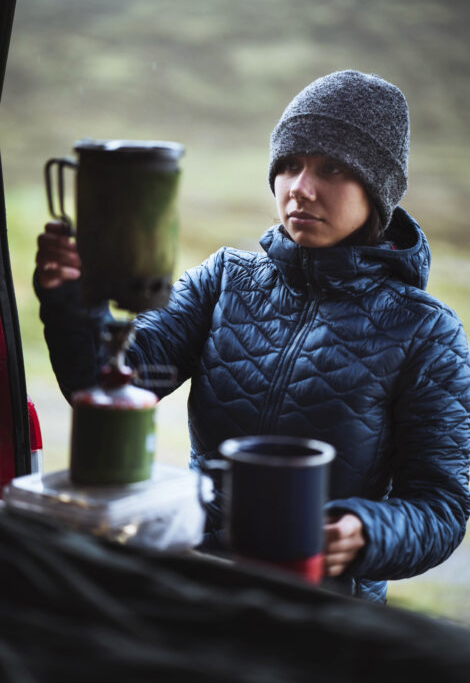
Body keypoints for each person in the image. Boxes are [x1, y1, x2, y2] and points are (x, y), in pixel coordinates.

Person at [35, 70, 470, 603]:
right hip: (190, 578)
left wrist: (366, 530)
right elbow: (106, 382)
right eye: (289, 165)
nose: (301, 188)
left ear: (376, 188)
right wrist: (72, 301)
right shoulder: (224, 280)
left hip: (320, 605)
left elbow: (440, 505)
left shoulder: (427, 331)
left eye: (331, 168)